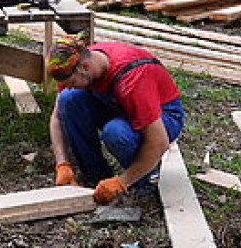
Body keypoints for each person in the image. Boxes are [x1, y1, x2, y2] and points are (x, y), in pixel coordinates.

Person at [46, 35, 184, 205]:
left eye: (71, 82)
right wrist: (62, 164)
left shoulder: (132, 78)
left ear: (85, 67)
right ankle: (96, 175)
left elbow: (159, 142)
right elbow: (57, 117)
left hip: (164, 115)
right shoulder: (74, 66)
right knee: (68, 99)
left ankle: (145, 179)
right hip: (120, 104)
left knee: (116, 132)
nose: (68, 85)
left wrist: (122, 182)